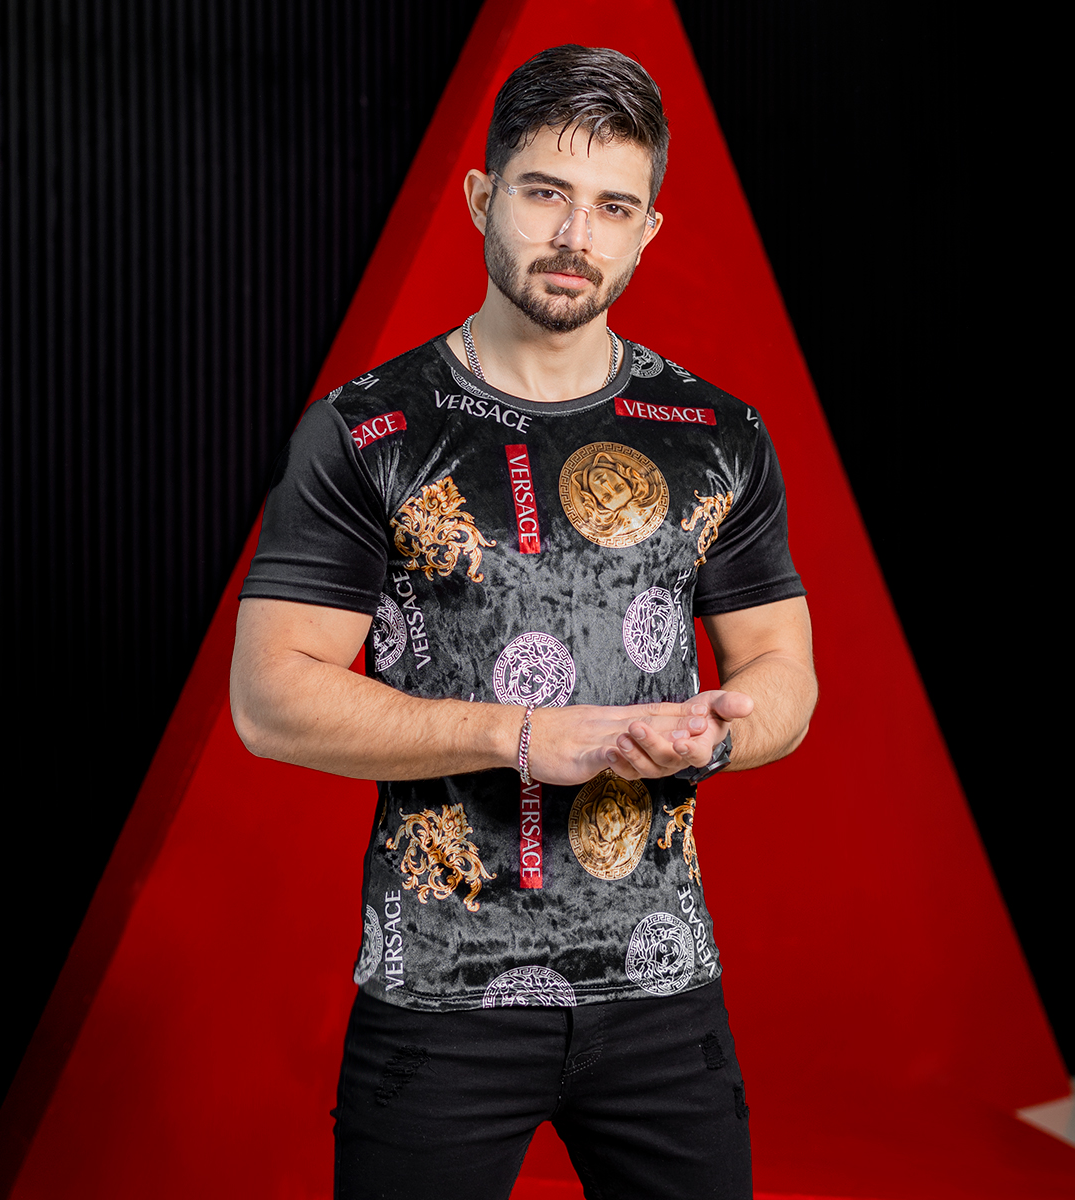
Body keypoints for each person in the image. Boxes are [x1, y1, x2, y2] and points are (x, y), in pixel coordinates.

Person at [230, 43, 817, 1200]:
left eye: (613, 207)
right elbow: (270, 696)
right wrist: (523, 736)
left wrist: (720, 733)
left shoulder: (719, 434)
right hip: (439, 991)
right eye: (546, 192)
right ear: (480, 196)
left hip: (663, 990)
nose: (575, 236)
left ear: (648, 231)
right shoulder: (365, 432)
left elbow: (782, 670)